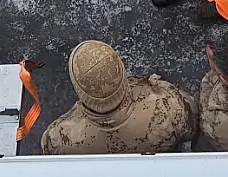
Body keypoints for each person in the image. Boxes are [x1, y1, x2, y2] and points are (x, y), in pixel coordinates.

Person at [40, 40, 196, 155]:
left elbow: (48, 152)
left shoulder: (60, 137)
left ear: (79, 91)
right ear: (122, 73)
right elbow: (192, 125)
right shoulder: (170, 106)